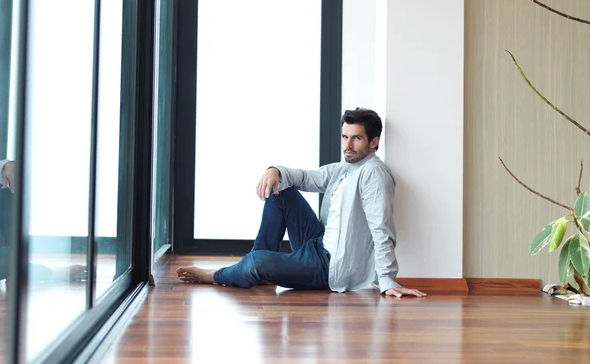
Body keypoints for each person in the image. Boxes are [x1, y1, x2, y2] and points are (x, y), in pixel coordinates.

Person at [178, 108, 426, 298]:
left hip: (329, 266)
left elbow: (382, 230)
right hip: (319, 242)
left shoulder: (374, 175)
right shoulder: (345, 168)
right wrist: (274, 170)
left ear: (374, 142)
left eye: (356, 139)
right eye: (345, 137)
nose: (347, 146)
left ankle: (219, 275)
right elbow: (309, 177)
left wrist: (387, 281)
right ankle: (257, 273)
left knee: (257, 262)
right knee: (281, 190)